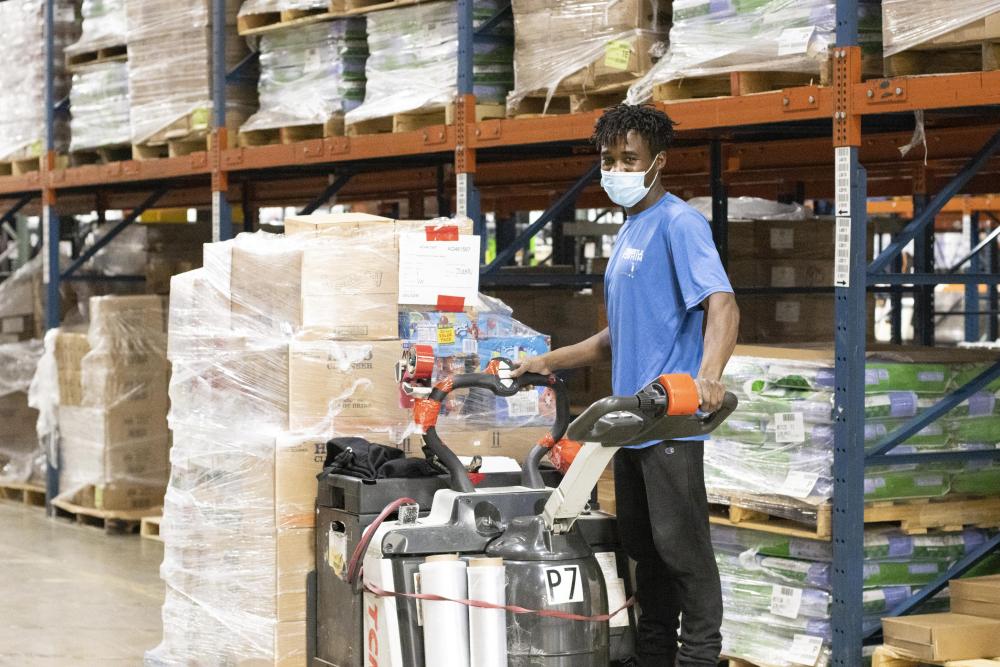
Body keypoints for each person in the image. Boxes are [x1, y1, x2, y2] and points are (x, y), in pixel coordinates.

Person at [513, 103, 739, 666]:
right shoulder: (632, 229)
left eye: (628, 158)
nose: (616, 168)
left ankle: (699, 659)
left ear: (657, 161)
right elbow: (618, 335)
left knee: (683, 554)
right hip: (628, 428)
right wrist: (546, 361)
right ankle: (655, 656)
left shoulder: (679, 223)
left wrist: (708, 376)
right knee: (645, 553)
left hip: (670, 423)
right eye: (609, 159)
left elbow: (722, 303)